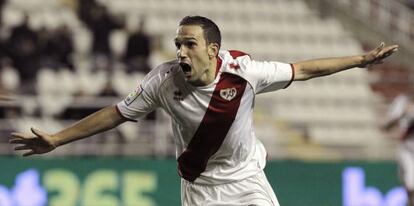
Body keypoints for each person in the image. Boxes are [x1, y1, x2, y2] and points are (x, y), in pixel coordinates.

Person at [9, 16, 398, 206]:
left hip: (247, 180)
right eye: (178, 43)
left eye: (189, 44)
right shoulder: (164, 80)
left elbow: (305, 69)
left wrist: (361, 60)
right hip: (200, 188)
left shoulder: (245, 73)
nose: (180, 51)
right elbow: (116, 113)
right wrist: (57, 139)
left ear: (212, 50)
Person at [383, 94, 414, 206]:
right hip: (407, 150)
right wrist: (403, 114)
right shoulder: (402, 101)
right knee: (410, 185)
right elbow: (385, 126)